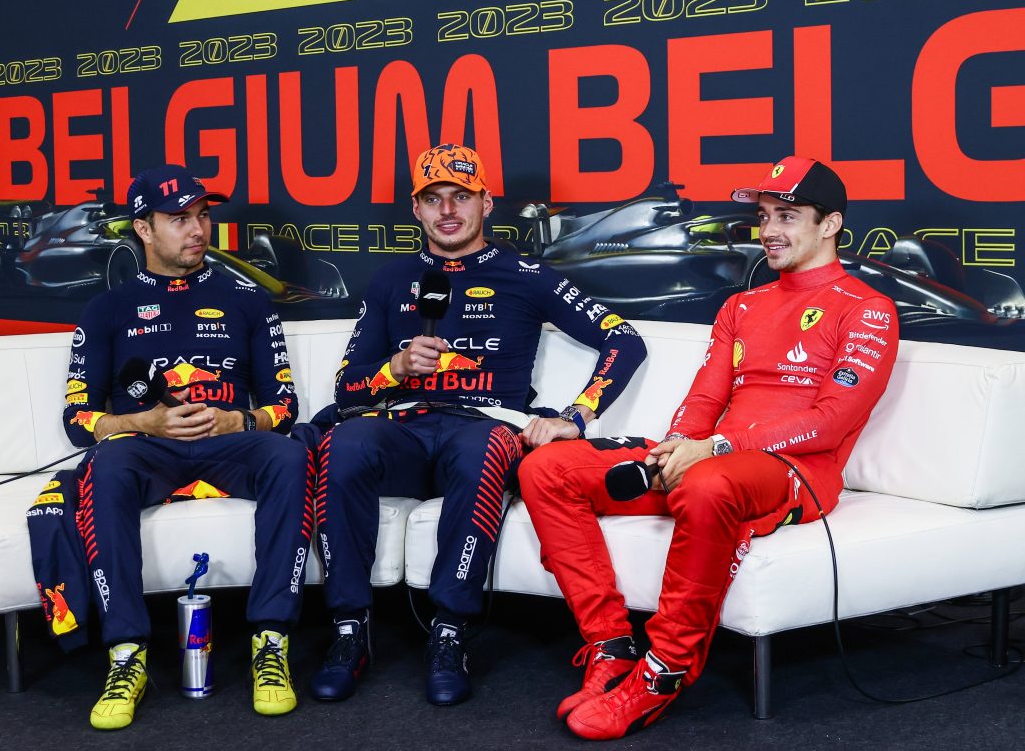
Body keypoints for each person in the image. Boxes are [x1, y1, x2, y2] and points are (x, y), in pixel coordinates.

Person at [518, 157, 900, 739]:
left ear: (830, 224)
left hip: (797, 472)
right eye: (765, 216)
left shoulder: (867, 309)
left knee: (706, 484)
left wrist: (716, 447)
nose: (769, 230)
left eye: (787, 216)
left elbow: (830, 423)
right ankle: (611, 647)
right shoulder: (741, 305)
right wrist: (678, 444)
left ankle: (664, 672)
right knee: (548, 468)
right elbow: (705, 398)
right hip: (716, 458)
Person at [309, 143, 647, 706]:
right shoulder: (392, 279)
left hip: (483, 427)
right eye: (433, 199)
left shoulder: (527, 275)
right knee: (343, 442)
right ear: (416, 209)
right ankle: (349, 629)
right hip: (402, 429)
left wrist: (576, 416)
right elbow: (347, 387)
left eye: (460, 197)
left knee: (485, 446)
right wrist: (395, 368)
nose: (447, 210)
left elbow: (624, 340)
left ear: (486, 203)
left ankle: (450, 632)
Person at [27, 164, 312, 729]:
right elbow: (77, 419)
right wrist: (145, 422)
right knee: (106, 466)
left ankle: (271, 642)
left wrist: (241, 420)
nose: (198, 229)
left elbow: (285, 405)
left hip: (229, 443)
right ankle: (126, 654)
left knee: (289, 455)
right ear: (144, 229)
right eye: (179, 219)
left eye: (202, 215)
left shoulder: (249, 301)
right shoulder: (107, 309)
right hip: (145, 447)